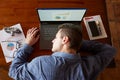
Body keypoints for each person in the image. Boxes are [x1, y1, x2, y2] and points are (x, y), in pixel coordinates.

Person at [9, 23, 116, 80]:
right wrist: (77, 42)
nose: (53, 40)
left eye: (56, 37)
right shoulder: (91, 67)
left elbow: (13, 71)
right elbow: (109, 50)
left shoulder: (42, 64)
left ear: (65, 40)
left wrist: (27, 44)